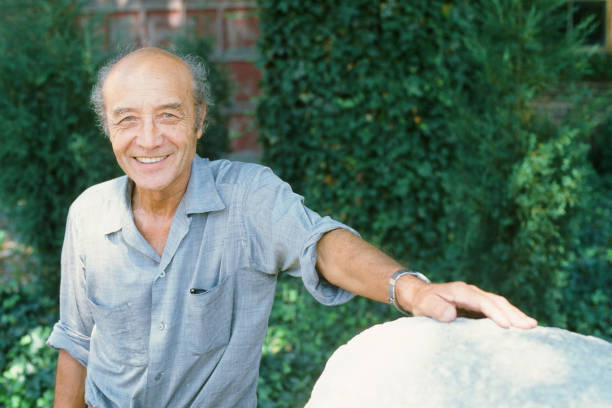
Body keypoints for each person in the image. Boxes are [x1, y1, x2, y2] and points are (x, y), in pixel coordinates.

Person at [47, 47, 537, 407]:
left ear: (199, 120)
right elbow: (77, 342)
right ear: (108, 128)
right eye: (127, 120)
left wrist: (410, 289)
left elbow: (320, 244)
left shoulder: (248, 198)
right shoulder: (88, 214)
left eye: (168, 115)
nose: (149, 139)